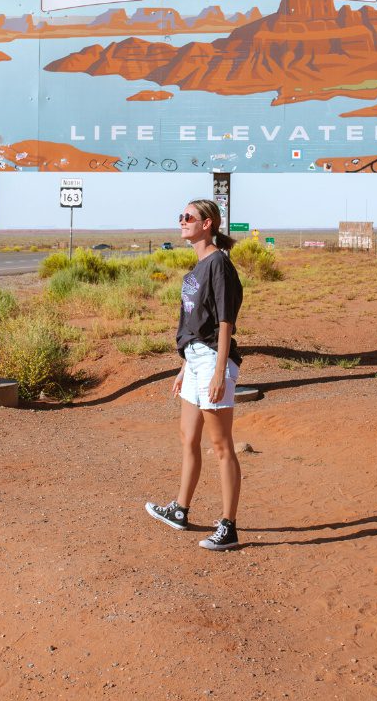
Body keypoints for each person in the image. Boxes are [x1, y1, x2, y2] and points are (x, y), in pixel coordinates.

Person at [145, 198, 244, 551]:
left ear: (208, 224)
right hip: (195, 360)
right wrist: (184, 366)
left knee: (221, 446)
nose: (182, 221)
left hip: (214, 361)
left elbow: (224, 321)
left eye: (188, 217)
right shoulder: (196, 268)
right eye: (180, 216)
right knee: (188, 438)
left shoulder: (218, 264)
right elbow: (192, 323)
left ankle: (228, 526)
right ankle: (180, 510)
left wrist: (218, 372)